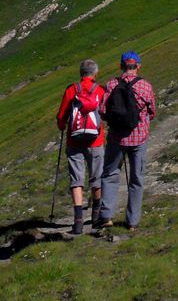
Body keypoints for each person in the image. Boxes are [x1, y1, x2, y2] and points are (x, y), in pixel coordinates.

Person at [97, 50, 156, 231]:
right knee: (137, 178)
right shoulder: (145, 86)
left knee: (110, 174)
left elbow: (103, 111)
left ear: (121, 66)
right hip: (139, 138)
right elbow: (152, 111)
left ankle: (106, 216)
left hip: (116, 138)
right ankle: (132, 221)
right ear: (138, 66)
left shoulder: (112, 84)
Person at [55, 59, 106, 235]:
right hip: (96, 140)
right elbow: (104, 113)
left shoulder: (72, 90)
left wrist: (62, 126)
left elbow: (62, 116)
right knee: (96, 176)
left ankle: (78, 222)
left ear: (80, 73)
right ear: (95, 73)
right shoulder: (99, 90)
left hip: (74, 140)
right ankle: (97, 215)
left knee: (76, 179)